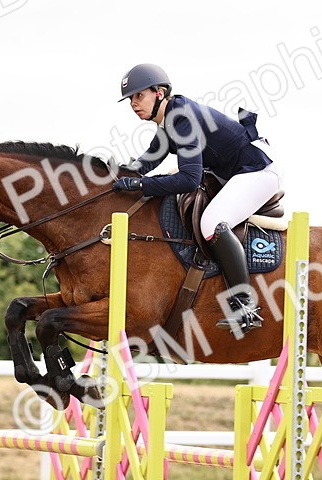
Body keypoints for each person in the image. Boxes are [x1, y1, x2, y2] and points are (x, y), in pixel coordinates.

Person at [114, 63, 283, 334]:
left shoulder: (181, 118)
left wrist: (142, 185)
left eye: (139, 96)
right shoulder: (169, 121)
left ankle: (245, 305)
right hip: (232, 174)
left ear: (159, 93)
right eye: (130, 99)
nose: (133, 104)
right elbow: (143, 164)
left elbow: (188, 179)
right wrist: (111, 178)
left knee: (212, 222)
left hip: (256, 172)